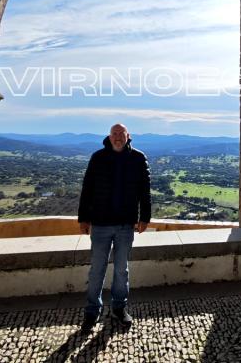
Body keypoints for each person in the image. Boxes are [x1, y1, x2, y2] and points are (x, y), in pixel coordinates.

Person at [78, 123, 151, 332]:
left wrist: (144, 217)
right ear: (109, 137)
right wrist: (83, 218)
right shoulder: (97, 158)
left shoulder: (138, 158)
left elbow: (145, 191)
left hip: (125, 225)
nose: (118, 137)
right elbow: (87, 189)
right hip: (100, 224)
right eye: (114, 134)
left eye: (121, 134)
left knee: (121, 270)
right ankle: (92, 312)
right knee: (97, 270)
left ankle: (119, 308)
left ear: (129, 137)